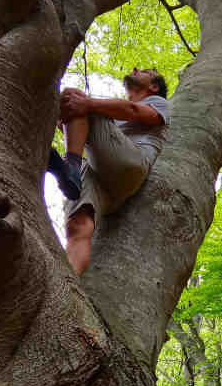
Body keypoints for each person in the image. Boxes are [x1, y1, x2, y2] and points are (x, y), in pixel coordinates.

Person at [47, 67, 169, 275]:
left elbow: (135, 111)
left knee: (73, 97)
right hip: (104, 184)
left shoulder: (159, 103)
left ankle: (72, 165)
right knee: (78, 227)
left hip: (130, 164)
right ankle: (67, 283)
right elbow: (84, 128)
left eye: (145, 71)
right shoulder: (112, 117)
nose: (136, 69)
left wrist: (86, 105)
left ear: (153, 86)